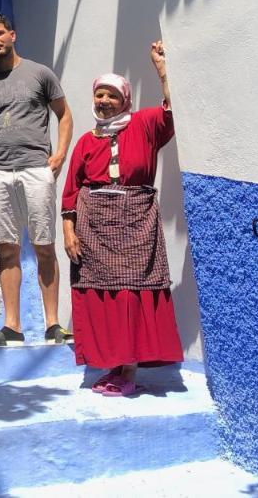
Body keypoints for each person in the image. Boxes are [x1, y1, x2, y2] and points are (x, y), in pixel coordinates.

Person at [61, 40, 182, 395]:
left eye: (111, 96)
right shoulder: (85, 141)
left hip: (136, 224)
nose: (103, 102)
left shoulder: (144, 125)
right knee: (101, 295)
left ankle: (128, 369)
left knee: (130, 294)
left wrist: (162, 71)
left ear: (124, 99)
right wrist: (69, 231)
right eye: (99, 95)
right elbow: (71, 190)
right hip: (93, 228)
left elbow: (174, 110)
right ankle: (114, 363)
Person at [0, 13, 73, 347]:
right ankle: (12, 327)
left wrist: (59, 154)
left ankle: (53, 324)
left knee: (44, 245)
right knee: (7, 249)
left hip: (35, 168)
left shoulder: (40, 73)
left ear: (12, 35)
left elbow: (64, 114)